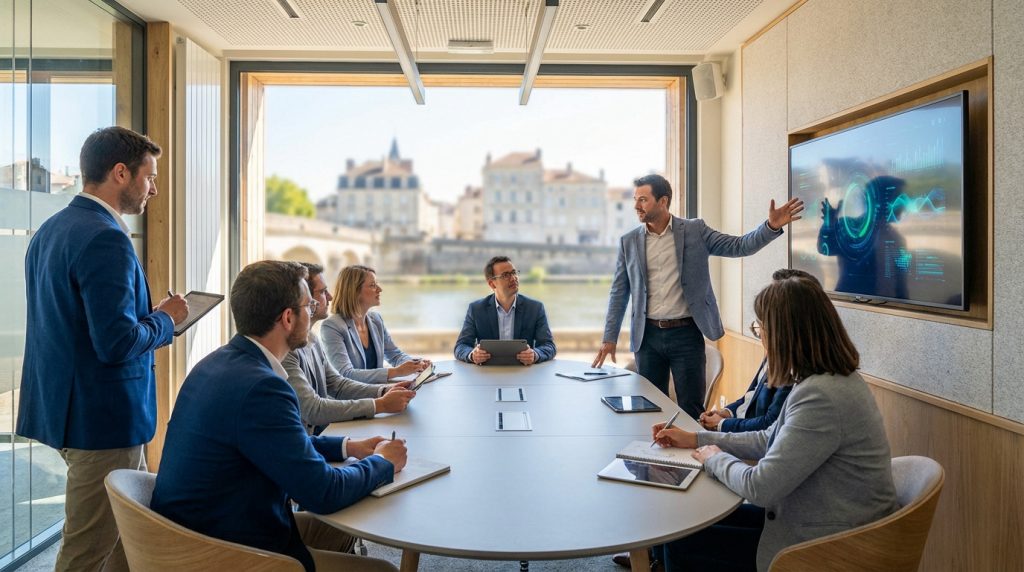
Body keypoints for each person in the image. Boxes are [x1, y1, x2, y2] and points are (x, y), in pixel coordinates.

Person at [151, 260, 403, 572]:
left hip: (196, 529)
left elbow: (277, 441)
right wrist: (383, 463)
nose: (313, 311)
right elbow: (323, 493)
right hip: (227, 551)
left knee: (343, 529)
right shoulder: (263, 387)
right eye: (309, 305)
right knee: (385, 569)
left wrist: (348, 447)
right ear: (287, 317)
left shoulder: (216, 363)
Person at [16, 126, 189, 572]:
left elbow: (71, 324)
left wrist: (148, 316)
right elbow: (116, 343)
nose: (153, 188)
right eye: (149, 177)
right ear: (120, 173)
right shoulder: (107, 238)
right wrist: (166, 319)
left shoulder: (51, 230)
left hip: (63, 409)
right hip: (103, 420)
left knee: (124, 539)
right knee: (87, 549)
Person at [650, 271, 898, 572]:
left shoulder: (821, 396)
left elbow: (760, 487)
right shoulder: (827, 380)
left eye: (761, 328)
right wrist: (697, 439)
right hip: (813, 518)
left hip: (828, 545)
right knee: (682, 525)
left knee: (681, 540)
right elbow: (769, 438)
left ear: (783, 334)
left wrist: (714, 458)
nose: (760, 336)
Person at [593, 174, 804, 419]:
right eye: (635, 200)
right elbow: (619, 291)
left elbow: (739, 246)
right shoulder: (628, 242)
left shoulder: (695, 231)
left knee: (691, 410)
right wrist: (609, 338)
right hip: (647, 338)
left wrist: (771, 227)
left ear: (663, 201)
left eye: (643, 199)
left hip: (686, 334)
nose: (636, 206)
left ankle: (695, 455)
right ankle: (649, 456)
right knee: (647, 408)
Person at [283, 262, 417, 434]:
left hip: (328, 430)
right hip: (322, 432)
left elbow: (337, 384)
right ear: (308, 300)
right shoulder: (326, 329)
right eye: (323, 292)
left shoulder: (313, 339)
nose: (330, 297)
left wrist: (384, 390)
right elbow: (314, 408)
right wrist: (380, 403)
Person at [321, 265, 430, 383]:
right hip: (352, 398)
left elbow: (395, 355)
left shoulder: (375, 319)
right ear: (354, 291)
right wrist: (396, 371)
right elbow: (345, 374)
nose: (380, 289)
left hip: (377, 392)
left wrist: (416, 364)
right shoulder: (332, 327)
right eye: (373, 285)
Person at [453, 256, 556, 365]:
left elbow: (549, 346)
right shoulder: (476, 309)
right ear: (492, 284)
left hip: (524, 374)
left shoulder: (535, 308)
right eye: (506, 275)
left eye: (514, 272)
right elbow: (461, 346)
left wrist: (535, 354)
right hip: (488, 374)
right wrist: (472, 355)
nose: (513, 278)